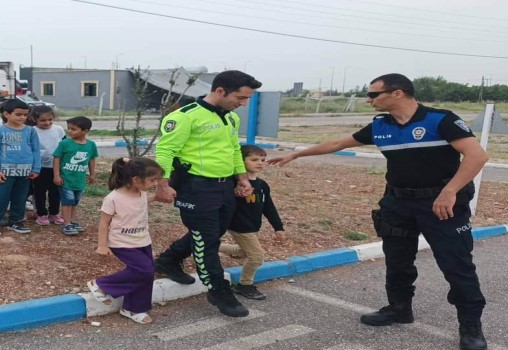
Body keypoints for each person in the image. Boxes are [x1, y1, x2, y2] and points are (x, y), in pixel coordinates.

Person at [268, 73, 489, 350]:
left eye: (374, 94)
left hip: (442, 204)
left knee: (456, 265)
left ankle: (470, 325)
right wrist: (296, 154)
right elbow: (338, 144)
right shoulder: (380, 126)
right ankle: (399, 308)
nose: (369, 99)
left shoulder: (440, 120)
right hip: (397, 204)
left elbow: (477, 155)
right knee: (397, 260)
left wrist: (450, 191)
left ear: (397, 93)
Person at [153, 70, 261, 318]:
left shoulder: (231, 118)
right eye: (241, 98)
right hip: (196, 187)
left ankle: (168, 260)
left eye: (247, 100)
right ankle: (218, 291)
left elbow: (234, 149)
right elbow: (166, 150)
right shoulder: (186, 116)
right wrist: (163, 183)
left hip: (224, 187)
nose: (243, 104)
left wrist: (242, 178)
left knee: (210, 234)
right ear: (220, 91)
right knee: (208, 241)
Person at [87, 157, 164, 325]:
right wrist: (102, 245)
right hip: (121, 243)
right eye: (152, 180)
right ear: (136, 179)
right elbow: (104, 223)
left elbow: (140, 202)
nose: (155, 183)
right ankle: (101, 284)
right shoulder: (113, 198)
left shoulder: (141, 193)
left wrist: (156, 198)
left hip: (143, 240)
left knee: (145, 274)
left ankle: (133, 309)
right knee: (145, 271)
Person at [219, 145, 285, 300]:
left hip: (254, 226)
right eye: (254, 159)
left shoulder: (262, 185)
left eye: (262, 159)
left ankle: (207, 246)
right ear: (241, 161)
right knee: (257, 256)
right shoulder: (234, 183)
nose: (260, 163)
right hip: (239, 227)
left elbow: (269, 207)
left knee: (243, 252)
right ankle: (244, 285)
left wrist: (278, 227)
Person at [0, 99, 40, 237]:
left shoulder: (31, 131)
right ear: (7, 114)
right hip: (5, 171)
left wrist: (36, 168)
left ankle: (16, 221)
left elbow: (36, 150)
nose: (22, 117)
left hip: (25, 171)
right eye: (18, 114)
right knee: (2, 198)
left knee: (20, 198)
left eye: (25, 115)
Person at [52, 116, 98, 236]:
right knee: (67, 202)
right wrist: (56, 175)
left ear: (85, 131)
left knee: (75, 202)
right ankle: (66, 223)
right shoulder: (64, 143)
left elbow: (92, 159)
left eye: (73, 129)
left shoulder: (91, 145)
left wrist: (92, 174)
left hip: (79, 180)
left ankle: (72, 221)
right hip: (66, 180)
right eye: (69, 128)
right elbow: (57, 158)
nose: (70, 131)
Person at [30, 105, 66, 226]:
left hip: (56, 167)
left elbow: (64, 145)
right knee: (39, 192)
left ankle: (54, 213)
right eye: (43, 120)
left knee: (55, 192)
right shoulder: (32, 131)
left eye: (50, 119)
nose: (47, 122)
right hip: (39, 168)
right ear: (35, 119)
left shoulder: (58, 129)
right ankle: (41, 214)